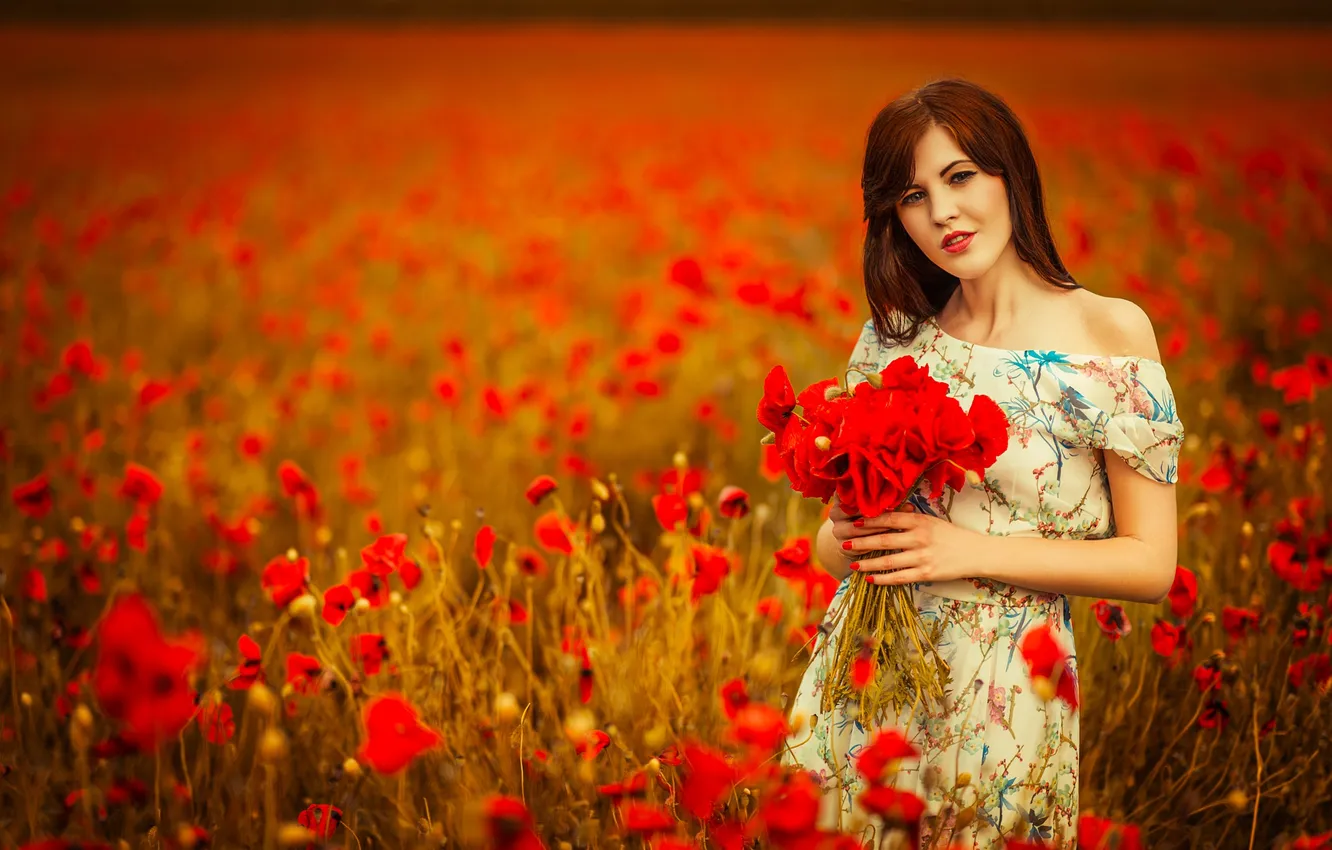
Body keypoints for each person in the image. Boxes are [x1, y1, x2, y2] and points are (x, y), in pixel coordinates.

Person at [780, 78, 1185, 849]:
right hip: (867, 672)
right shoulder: (896, 338)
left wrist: (969, 553)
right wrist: (847, 520)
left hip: (1008, 691)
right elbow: (833, 552)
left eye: (960, 177)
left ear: (1011, 174)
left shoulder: (1107, 334)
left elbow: (1151, 565)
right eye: (911, 196)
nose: (942, 214)